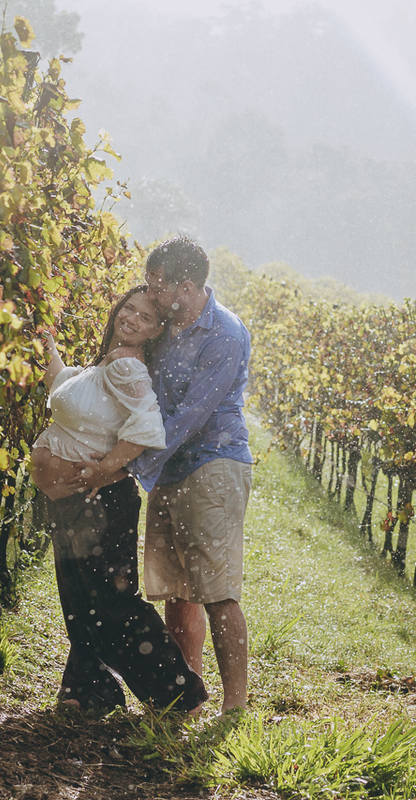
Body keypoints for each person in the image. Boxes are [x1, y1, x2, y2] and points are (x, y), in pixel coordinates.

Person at [31, 285, 207, 715]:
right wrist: (45, 344)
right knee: (81, 602)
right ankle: (91, 690)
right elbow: (63, 384)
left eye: (145, 317)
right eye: (128, 308)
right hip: (77, 501)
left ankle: (178, 692)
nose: (131, 318)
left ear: (154, 331)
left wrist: (106, 467)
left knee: (111, 602)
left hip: (102, 502)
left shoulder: (127, 365)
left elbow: (149, 427)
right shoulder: (107, 363)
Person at [133, 236, 253, 714]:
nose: (150, 291)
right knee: (178, 588)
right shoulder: (164, 326)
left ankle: (235, 707)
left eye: (157, 284)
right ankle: (188, 694)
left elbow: (191, 416)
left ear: (185, 287)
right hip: (171, 465)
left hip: (212, 463)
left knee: (216, 590)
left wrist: (131, 466)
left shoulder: (224, 333)